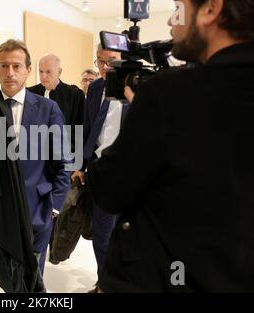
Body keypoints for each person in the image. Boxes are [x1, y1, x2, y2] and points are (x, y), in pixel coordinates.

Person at [88, 0, 254, 292]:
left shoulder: (169, 94)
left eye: (178, 8)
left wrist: (146, 119)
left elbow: (109, 189)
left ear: (211, 9)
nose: (169, 23)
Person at [0, 40, 71, 274]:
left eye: (17, 66)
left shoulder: (48, 109)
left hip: (37, 210)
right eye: (4, 66)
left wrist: (54, 207)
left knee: (31, 280)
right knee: (0, 278)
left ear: (28, 71)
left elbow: (63, 162)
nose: (10, 73)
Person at [72, 44, 130, 293]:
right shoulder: (96, 87)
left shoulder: (136, 86)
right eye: (100, 62)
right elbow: (87, 126)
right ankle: (105, 283)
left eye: (111, 61)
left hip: (131, 165)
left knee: (128, 232)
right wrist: (79, 165)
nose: (105, 68)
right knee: (102, 232)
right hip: (100, 166)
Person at [28, 54, 84, 153]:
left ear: (59, 72)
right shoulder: (30, 93)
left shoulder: (75, 95)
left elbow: (78, 131)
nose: (43, 76)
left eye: (48, 72)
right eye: (41, 71)